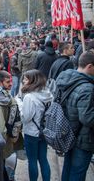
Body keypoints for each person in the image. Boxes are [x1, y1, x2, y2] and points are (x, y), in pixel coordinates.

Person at [56, 52, 94, 181]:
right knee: (77, 172)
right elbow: (87, 118)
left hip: (67, 133)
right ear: (90, 66)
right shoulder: (87, 88)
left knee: (68, 168)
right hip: (83, 139)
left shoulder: (65, 78)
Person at [21, 69, 53, 181]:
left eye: (25, 79)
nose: (24, 81)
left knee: (32, 160)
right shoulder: (48, 94)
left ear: (32, 80)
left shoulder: (29, 97)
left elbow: (26, 118)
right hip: (44, 131)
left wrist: (20, 106)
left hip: (31, 132)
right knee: (43, 159)